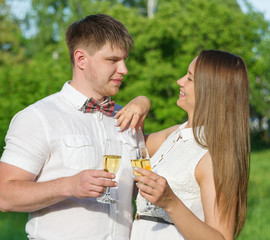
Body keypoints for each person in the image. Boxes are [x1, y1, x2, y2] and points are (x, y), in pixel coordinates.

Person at [0, 14, 150, 240]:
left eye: (124, 60)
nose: (124, 69)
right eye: (113, 60)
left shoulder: (127, 117)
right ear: (81, 59)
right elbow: (4, 195)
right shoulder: (38, 117)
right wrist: (69, 185)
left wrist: (144, 100)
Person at [116, 50, 250, 240]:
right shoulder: (174, 134)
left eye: (190, 78)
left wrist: (170, 202)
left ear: (211, 90)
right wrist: (142, 102)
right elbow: (132, 148)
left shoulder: (214, 155)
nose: (180, 81)